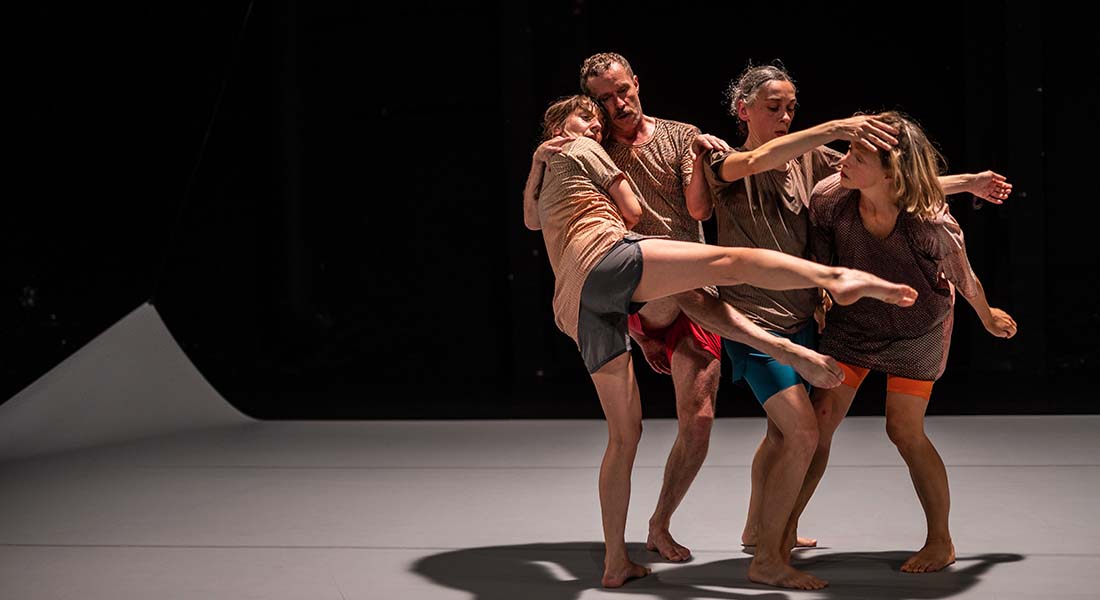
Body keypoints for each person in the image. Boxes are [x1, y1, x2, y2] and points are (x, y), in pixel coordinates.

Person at [523, 94, 918, 588]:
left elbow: (532, 221)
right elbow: (629, 212)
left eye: (605, 111)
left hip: (579, 304)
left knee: (627, 437)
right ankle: (834, 280)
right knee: (725, 262)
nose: (600, 121)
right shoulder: (583, 147)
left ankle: (616, 561)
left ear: (638, 85)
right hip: (613, 259)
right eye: (591, 112)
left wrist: (540, 165)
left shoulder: (656, 138)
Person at [689, 63, 1012, 589]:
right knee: (809, 429)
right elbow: (774, 163)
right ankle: (774, 538)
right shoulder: (728, 158)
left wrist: (968, 185)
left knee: (893, 431)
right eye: (774, 106)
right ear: (742, 108)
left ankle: (931, 538)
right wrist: (838, 127)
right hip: (811, 323)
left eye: (791, 106)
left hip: (914, 328)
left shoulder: (854, 185)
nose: (786, 115)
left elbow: (896, 183)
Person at [791, 110, 1017, 576]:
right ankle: (782, 526)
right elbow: (823, 261)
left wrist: (988, 316)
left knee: (904, 430)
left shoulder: (928, 221)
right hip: (855, 326)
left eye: (856, 154)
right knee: (819, 422)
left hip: (919, 329)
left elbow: (963, 276)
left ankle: (941, 541)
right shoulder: (831, 198)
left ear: (891, 171)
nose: (843, 161)